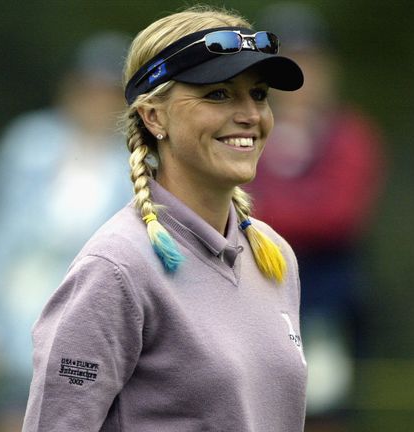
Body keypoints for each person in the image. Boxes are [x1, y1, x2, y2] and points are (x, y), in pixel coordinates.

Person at [23, 5, 308, 431]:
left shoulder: (274, 257)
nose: (250, 114)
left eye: (259, 94)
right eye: (219, 94)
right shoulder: (117, 268)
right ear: (153, 115)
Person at [0, 32, 131, 431]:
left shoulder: (137, 163)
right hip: (15, 330)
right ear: (72, 89)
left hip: (95, 328)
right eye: (90, 88)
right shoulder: (27, 144)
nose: (98, 101)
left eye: (110, 92)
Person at [246, 3, 386, 429]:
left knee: (321, 408)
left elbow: (337, 216)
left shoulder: (350, 135)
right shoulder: (243, 127)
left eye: (309, 62)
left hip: (323, 303)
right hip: (247, 296)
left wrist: (261, 209)